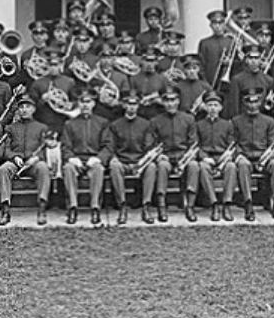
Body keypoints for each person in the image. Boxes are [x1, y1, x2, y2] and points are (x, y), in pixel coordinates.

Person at [0, 95, 52, 225]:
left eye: (28, 107)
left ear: (33, 109)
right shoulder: (10, 128)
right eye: (21, 107)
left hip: (33, 163)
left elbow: (46, 148)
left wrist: (37, 158)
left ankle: (42, 207)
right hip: (16, 162)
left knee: (43, 168)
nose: (24, 110)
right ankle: (5, 210)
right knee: (3, 169)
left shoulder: (42, 128)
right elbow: (5, 148)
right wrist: (14, 157)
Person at [106, 90, 158, 225]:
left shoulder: (146, 124)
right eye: (129, 104)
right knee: (114, 166)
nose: (131, 107)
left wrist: (143, 162)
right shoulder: (115, 124)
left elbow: (149, 145)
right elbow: (110, 145)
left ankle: (146, 206)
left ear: (138, 106)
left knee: (151, 167)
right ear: (123, 105)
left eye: (134, 104)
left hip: (139, 161)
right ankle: (122, 205)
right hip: (122, 161)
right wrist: (113, 157)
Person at [61, 88, 110, 225]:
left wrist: (98, 158)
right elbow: (65, 146)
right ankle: (72, 206)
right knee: (68, 168)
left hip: (93, 160)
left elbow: (108, 146)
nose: (85, 105)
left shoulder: (102, 123)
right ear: (78, 104)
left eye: (88, 102)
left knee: (99, 169)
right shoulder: (69, 124)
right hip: (76, 159)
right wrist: (71, 158)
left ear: (93, 104)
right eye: (82, 102)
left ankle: (95, 207)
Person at [151, 86, 200, 222]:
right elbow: (151, 143)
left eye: (173, 100)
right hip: (165, 156)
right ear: (162, 102)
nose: (170, 104)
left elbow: (193, 142)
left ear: (178, 101)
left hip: (183, 155)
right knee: (162, 166)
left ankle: (190, 205)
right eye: (166, 100)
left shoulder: (188, 119)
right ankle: (162, 205)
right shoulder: (155, 121)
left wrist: (188, 156)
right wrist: (158, 155)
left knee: (194, 165)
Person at [232, 87, 274, 221]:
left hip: (263, 158)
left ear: (260, 103)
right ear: (244, 103)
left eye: (255, 102)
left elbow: (272, 144)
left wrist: (267, 157)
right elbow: (233, 142)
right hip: (246, 157)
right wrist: (239, 154)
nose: (252, 105)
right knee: (242, 164)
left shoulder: (269, 121)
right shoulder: (236, 121)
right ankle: (248, 202)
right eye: (249, 102)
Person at [196, 91, 237, 221]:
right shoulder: (199, 125)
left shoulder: (228, 125)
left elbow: (232, 144)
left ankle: (227, 204)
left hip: (223, 158)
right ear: (205, 107)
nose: (213, 108)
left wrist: (227, 156)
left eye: (215, 105)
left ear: (220, 107)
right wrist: (203, 156)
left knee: (231, 167)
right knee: (203, 167)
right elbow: (195, 146)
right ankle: (214, 203)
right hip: (207, 158)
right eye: (210, 105)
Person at [30, 48, 78, 134]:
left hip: (62, 123)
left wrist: (71, 105)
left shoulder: (69, 82)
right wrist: (42, 100)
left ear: (60, 65)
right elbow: (31, 106)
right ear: (47, 65)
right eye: (50, 64)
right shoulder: (37, 83)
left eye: (56, 64)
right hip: (43, 123)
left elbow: (75, 101)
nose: (53, 68)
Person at [227, 43, 274, 120]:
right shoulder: (237, 79)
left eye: (256, 58)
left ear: (260, 60)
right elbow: (234, 105)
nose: (253, 61)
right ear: (246, 60)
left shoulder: (268, 80)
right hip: (243, 120)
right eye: (250, 58)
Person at [130, 48, 172, 120]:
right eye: (146, 60)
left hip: (157, 115)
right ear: (141, 61)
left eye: (152, 61)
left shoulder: (162, 79)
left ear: (156, 62)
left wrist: (159, 101)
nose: (149, 64)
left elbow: (169, 99)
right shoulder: (134, 78)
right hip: (139, 115)